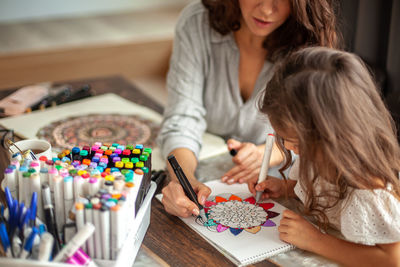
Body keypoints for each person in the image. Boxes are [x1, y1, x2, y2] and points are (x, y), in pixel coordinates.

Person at [158, 0, 341, 218]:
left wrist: (267, 153)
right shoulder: (196, 22)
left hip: (279, 178)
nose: (266, 10)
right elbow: (182, 119)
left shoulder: (310, 41)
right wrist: (183, 180)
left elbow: (316, 135)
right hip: (203, 164)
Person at [249, 47, 400, 266]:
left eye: (296, 141)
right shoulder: (318, 156)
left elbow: (393, 259)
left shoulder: (369, 189)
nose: (290, 148)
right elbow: (324, 194)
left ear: (334, 134)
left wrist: (316, 241)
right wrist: (286, 188)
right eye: (284, 138)